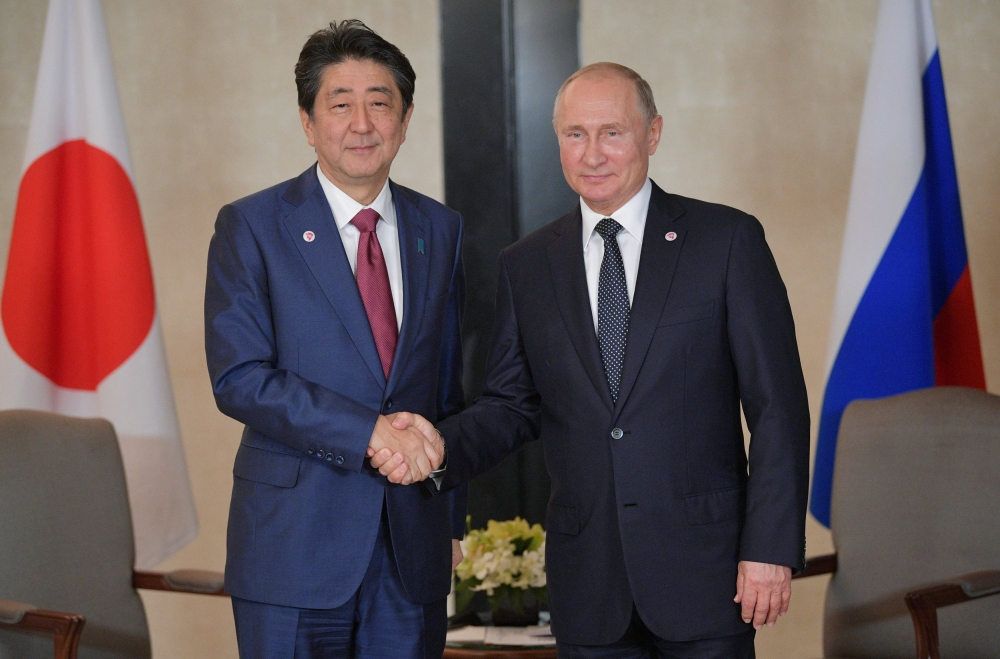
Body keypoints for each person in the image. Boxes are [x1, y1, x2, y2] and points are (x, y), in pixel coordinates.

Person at [374, 63, 810, 658]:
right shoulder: (526, 264)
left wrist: (770, 548)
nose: (593, 154)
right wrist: (438, 445)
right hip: (589, 585)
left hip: (707, 576)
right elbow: (511, 405)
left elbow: (778, 408)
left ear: (653, 133)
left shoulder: (727, 241)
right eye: (575, 134)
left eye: (613, 132)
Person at [205, 20, 467, 659]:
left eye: (380, 103)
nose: (362, 124)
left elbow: (447, 385)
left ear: (405, 120)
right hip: (293, 549)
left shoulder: (441, 228)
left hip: (411, 547)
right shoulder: (252, 225)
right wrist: (367, 432)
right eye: (340, 104)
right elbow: (239, 377)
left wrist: (451, 518)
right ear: (307, 121)